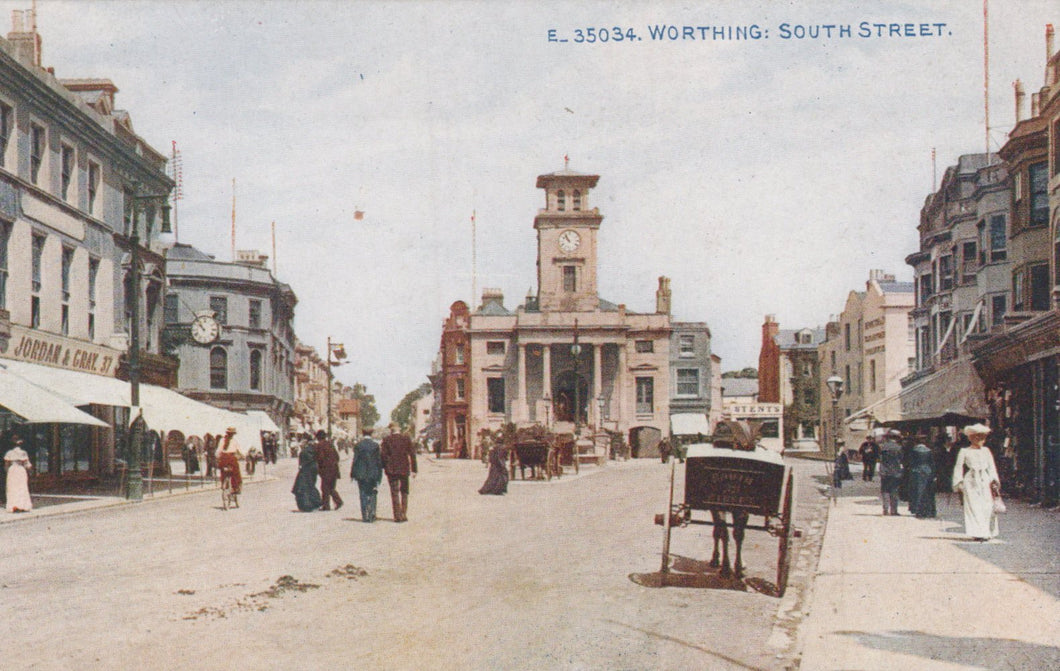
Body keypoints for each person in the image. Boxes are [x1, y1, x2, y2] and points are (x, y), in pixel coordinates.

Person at [953, 423, 1001, 541]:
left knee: (987, 506)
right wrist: (959, 482)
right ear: (971, 438)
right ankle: (978, 532)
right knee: (974, 506)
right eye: (977, 437)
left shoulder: (986, 451)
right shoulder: (964, 451)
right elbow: (958, 467)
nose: (981, 440)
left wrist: (994, 480)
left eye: (983, 437)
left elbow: (991, 467)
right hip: (971, 481)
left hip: (985, 480)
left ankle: (987, 531)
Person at [381, 422, 417, 522]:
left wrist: (384, 467)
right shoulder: (406, 439)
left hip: (392, 470)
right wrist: (414, 470)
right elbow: (412, 454)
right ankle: (404, 514)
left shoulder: (387, 440)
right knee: (404, 491)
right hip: (404, 469)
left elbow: (383, 456)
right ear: (399, 428)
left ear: (391, 429)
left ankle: (397, 516)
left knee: (394, 492)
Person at [351, 427, 383, 521]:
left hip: (361, 473)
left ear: (363, 433)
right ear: (372, 434)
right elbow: (378, 461)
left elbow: (355, 460)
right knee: (373, 492)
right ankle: (372, 513)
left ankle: (364, 515)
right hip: (373, 474)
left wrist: (352, 473)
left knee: (363, 493)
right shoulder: (375, 446)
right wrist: (379, 475)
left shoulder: (358, 445)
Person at [908, 434, 937, 518]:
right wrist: (933, 474)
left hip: (916, 472)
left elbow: (911, 462)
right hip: (927, 471)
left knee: (917, 491)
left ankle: (919, 510)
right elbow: (932, 463)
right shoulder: (929, 451)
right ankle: (930, 510)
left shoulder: (914, 450)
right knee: (928, 491)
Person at [292, 434, 322, 512]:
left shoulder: (306, 451)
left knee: (303, 487)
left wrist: (302, 466)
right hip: (312, 470)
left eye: (302, 440)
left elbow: (305, 461)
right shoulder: (312, 449)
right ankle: (315, 503)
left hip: (306, 471)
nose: (301, 442)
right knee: (310, 486)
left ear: (305, 441)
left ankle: (307, 505)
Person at [314, 430, 343, 511]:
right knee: (331, 487)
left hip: (326, 470)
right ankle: (337, 502)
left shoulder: (320, 445)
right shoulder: (330, 444)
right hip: (334, 469)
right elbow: (337, 457)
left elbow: (320, 458)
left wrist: (319, 467)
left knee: (325, 488)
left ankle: (327, 506)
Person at [879, 429, 904, 515]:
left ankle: (885, 509)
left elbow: (880, 459)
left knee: (885, 490)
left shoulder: (883, 447)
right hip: (895, 472)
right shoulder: (899, 447)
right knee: (894, 491)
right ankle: (894, 510)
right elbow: (901, 459)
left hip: (885, 471)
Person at [4, 437, 32, 513]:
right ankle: (22, 505)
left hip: (12, 470)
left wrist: (8, 472)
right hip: (21, 470)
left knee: (12, 488)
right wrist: (29, 471)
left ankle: (14, 505)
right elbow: (27, 465)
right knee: (22, 487)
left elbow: (6, 465)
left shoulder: (9, 453)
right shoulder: (23, 453)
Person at [217, 427, 243, 496]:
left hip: (223, 458)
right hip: (231, 458)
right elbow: (239, 450)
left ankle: (224, 484)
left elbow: (219, 450)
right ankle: (235, 487)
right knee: (236, 472)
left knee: (223, 471)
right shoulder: (234, 441)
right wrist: (243, 456)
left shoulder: (222, 440)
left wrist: (217, 457)